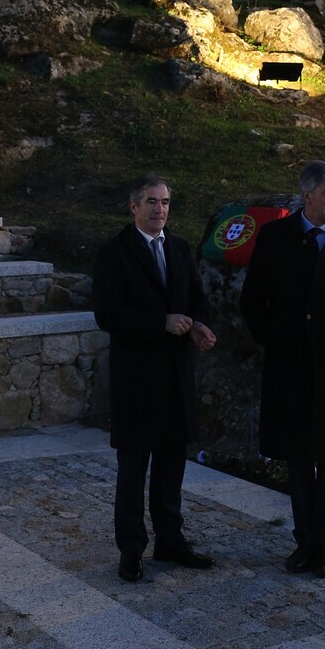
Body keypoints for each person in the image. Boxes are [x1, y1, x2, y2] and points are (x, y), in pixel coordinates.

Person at [239, 160, 325, 577]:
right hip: (290, 364)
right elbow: (253, 299)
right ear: (307, 196)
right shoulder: (275, 237)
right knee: (297, 455)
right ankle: (304, 541)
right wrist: (274, 339)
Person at [92, 175, 217, 582]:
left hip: (175, 377)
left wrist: (198, 325)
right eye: (151, 201)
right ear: (134, 206)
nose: (159, 209)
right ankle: (131, 550)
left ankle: (170, 540)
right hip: (137, 380)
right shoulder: (114, 253)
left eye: (165, 202)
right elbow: (107, 314)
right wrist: (160, 322)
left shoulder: (179, 248)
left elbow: (196, 297)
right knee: (133, 469)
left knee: (171, 466)